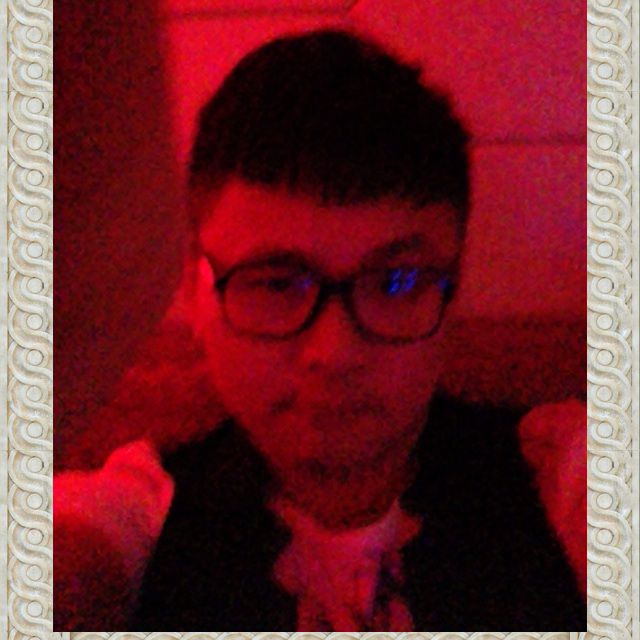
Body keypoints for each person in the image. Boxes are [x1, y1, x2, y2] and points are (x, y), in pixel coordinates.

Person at [54, 29, 586, 631]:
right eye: (276, 284)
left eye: (396, 283)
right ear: (192, 290)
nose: (335, 353)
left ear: (455, 288)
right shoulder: (143, 509)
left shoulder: (557, 474)